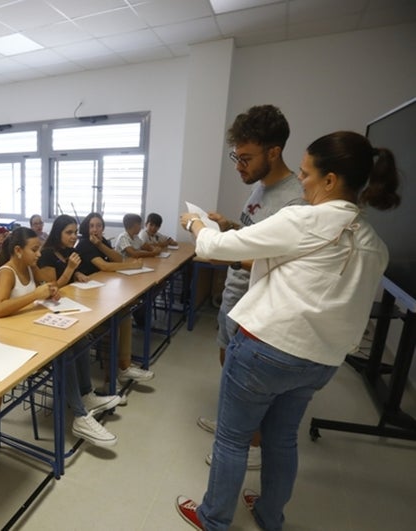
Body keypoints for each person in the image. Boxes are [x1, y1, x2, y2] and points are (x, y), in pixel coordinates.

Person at [175, 131, 400, 531]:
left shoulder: (304, 218)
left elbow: (211, 248)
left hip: (265, 350)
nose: (303, 183)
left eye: (306, 174)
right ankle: (268, 515)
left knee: (231, 439)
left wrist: (197, 224)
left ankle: (213, 519)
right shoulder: (373, 243)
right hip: (319, 362)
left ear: (330, 180)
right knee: (281, 440)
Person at [196, 105, 305, 472]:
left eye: (246, 158)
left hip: (258, 305)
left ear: (273, 152)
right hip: (234, 296)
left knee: (248, 383)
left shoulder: (294, 199)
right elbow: (253, 237)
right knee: (228, 365)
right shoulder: (260, 186)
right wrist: (227, 226)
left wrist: (216, 246)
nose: (239, 166)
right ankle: (231, 426)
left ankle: (250, 448)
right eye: (236, 157)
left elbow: (279, 262)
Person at [0, 227, 120, 446]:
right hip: (13, 339)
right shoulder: (6, 272)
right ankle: (80, 416)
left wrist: (51, 292)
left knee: (80, 338)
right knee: (65, 351)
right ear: (18, 250)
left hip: (31, 328)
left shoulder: (30, 268)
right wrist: (35, 295)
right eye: (34, 249)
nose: (39, 254)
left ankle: (86, 394)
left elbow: (47, 287)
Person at [75, 212, 154, 385]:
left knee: (124, 312)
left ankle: (124, 366)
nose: (96, 229)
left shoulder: (100, 242)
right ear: (86, 228)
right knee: (113, 321)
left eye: (99, 226)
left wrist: (102, 246)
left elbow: (117, 258)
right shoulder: (84, 244)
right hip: (86, 295)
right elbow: (104, 265)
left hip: (100, 289)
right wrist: (131, 265)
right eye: (92, 226)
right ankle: (113, 375)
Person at [37, 214, 90, 287]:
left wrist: (77, 274)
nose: (74, 237)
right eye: (69, 233)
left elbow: (70, 275)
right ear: (57, 233)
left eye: (75, 232)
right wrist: (70, 268)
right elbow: (51, 288)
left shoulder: (70, 250)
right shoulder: (46, 254)